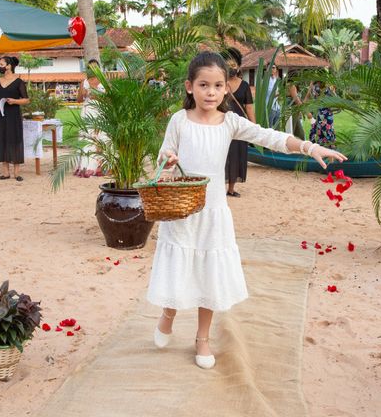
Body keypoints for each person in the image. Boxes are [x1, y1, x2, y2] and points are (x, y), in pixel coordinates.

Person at [148, 52, 347, 370]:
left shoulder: (230, 122)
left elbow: (269, 137)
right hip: (183, 210)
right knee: (179, 265)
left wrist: (310, 147)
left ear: (226, 88)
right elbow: (163, 155)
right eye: (203, 85)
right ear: (189, 87)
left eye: (217, 85)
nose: (211, 92)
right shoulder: (179, 121)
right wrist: (168, 159)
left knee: (209, 274)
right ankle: (168, 313)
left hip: (214, 211)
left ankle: (202, 338)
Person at [0, 56, 29, 181]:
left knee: (15, 141)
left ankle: (17, 173)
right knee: (2, 140)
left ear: (9, 66)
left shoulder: (19, 81)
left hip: (14, 115)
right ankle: (5, 172)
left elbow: (26, 100)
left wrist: (15, 101)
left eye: (1, 64)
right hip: (0, 116)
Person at [222, 48, 255, 198]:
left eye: (234, 64)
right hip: (222, 125)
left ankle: (231, 188)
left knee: (236, 155)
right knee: (222, 155)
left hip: (240, 127)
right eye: (228, 64)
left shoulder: (245, 86)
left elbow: (249, 107)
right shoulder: (220, 85)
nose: (232, 67)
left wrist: (254, 128)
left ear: (239, 66)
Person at [75, 59, 106, 177]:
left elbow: (109, 98)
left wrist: (97, 96)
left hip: (99, 111)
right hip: (87, 112)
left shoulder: (104, 81)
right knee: (86, 137)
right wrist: (82, 93)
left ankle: (98, 165)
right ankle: (85, 166)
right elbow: (78, 100)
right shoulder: (84, 82)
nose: (92, 69)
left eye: (95, 67)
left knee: (99, 138)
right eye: (90, 67)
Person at [307, 82, 337, 148]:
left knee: (328, 130)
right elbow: (308, 98)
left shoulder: (329, 86)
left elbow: (336, 100)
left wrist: (333, 91)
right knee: (316, 130)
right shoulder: (314, 86)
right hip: (317, 113)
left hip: (327, 114)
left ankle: (331, 148)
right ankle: (319, 147)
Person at [265, 64, 281, 128]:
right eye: (270, 68)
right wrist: (282, 92)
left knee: (277, 129)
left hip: (277, 107)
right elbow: (272, 95)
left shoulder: (275, 80)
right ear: (267, 69)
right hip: (269, 107)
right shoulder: (266, 80)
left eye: (273, 68)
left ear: (276, 70)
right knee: (270, 128)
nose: (272, 69)